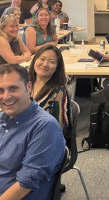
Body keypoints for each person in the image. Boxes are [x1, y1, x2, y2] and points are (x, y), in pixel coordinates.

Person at [0, 64, 65, 200]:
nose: (5, 97)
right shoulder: (3, 117)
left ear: (29, 87)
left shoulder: (45, 127)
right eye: (0, 90)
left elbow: (25, 184)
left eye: (13, 88)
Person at [29, 43, 71, 137]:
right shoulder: (24, 85)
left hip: (44, 139)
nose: (45, 64)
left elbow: (60, 127)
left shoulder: (59, 92)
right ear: (35, 60)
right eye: (42, 59)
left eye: (52, 62)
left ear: (57, 68)